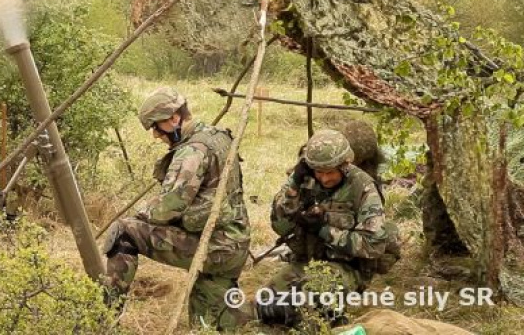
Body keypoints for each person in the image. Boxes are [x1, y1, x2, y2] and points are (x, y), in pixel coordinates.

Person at [101, 87, 251, 329]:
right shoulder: (216, 137)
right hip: (235, 244)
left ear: (174, 118)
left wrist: (141, 214)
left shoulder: (192, 152)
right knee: (208, 326)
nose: (155, 135)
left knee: (124, 233)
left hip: (214, 247)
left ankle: (103, 320)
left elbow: (165, 209)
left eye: (156, 127)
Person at [259, 129, 399, 326]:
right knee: (267, 304)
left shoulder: (363, 187)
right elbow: (280, 226)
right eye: (319, 172)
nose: (324, 179)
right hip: (306, 262)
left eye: (330, 172)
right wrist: (293, 187)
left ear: (345, 164)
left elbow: (373, 245)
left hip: (345, 268)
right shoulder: (303, 180)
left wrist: (324, 230)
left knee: (308, 306)